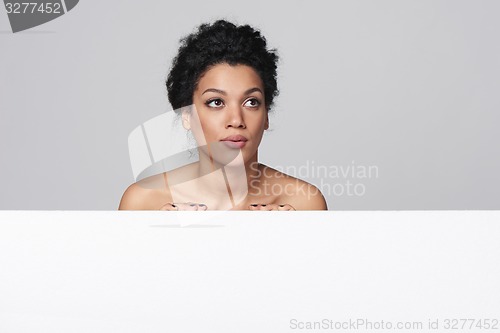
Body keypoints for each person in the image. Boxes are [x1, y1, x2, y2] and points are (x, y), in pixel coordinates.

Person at [119, 20, 327, 211]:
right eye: (216, 102)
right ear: (187, 115)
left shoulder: (302, 202)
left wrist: (292, 240)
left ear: (266, 116)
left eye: (251, 102)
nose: (236, 120)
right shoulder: (144, 202)